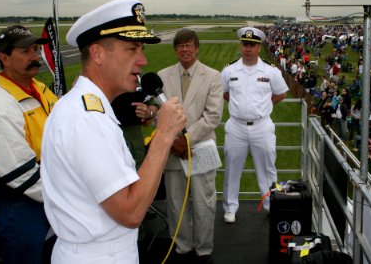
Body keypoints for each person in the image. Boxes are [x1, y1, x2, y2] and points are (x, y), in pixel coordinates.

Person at [40, 0, 186, 264]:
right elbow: (130, 213)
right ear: (97, 54)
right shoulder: (86, 119)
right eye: (132, 49)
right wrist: (164, 136)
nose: (142, 61)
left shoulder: (87, 109)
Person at [0, 25, 58, 263]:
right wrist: (63, 196)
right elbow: (19, 174)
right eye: (26, 51)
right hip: (22, 205)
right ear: (4, 58)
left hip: (49, 193)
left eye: (36, 49)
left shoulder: (40, 88)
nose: (35, 56)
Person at [158, 29, 223, 263]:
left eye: (189, 45)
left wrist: (184, 140)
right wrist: (171, 139)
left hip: (200, 148)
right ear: (175, 49)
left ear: (197, 48)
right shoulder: (162, 76)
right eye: (180, 46)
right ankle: (183, 246)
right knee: (176, 204)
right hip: (172, 151)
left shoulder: (213, 76)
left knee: (204, 203)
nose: (185, 49)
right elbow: (159, 113)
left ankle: (203, 248)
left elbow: (213, 116)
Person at [221, 27, 288, 223]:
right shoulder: (229, 70)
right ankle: (230, 208)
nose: (248, 49)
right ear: (240, 46)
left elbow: (281, 93)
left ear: (259, 47)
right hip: (236, 126)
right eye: (245, 44)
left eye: (252, 45)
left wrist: (264, 106)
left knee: (268, 169)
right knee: (232, 168)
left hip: (262, 126)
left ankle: (270, 205)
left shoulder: (270, 71)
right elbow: (225, 93)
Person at [111, 90, 158, 167]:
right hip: (112, 141)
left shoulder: (136, 83)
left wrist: (149, 113)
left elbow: (153, 104)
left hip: (135, 142)